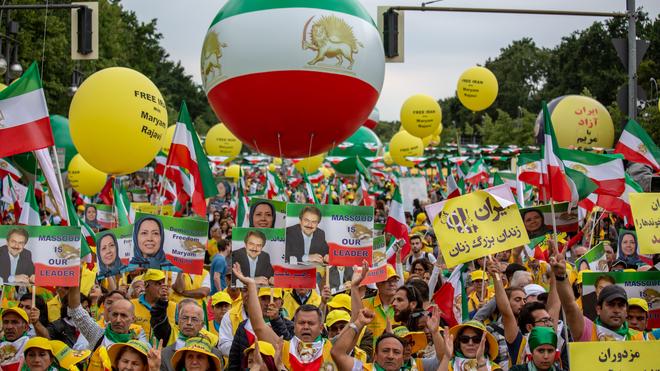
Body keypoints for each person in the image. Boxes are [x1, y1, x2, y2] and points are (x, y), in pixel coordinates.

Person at [233, 264, 335, 369]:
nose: (306, 327)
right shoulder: (286, 348)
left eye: (311, 323)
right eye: (301, 323)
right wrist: (251, 285)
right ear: (294, 327)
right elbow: (259, 327)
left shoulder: (333, 349)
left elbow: (353, 327)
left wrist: (353, 288)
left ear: (321, 328)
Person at [551, 251, 644, 341]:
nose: (616, 310)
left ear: (627, 311)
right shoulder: (587, 330)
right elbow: (569, 306)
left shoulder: (640, 338)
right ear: (598, 309)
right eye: (610, 305)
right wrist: (561, 276)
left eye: (621, 305)